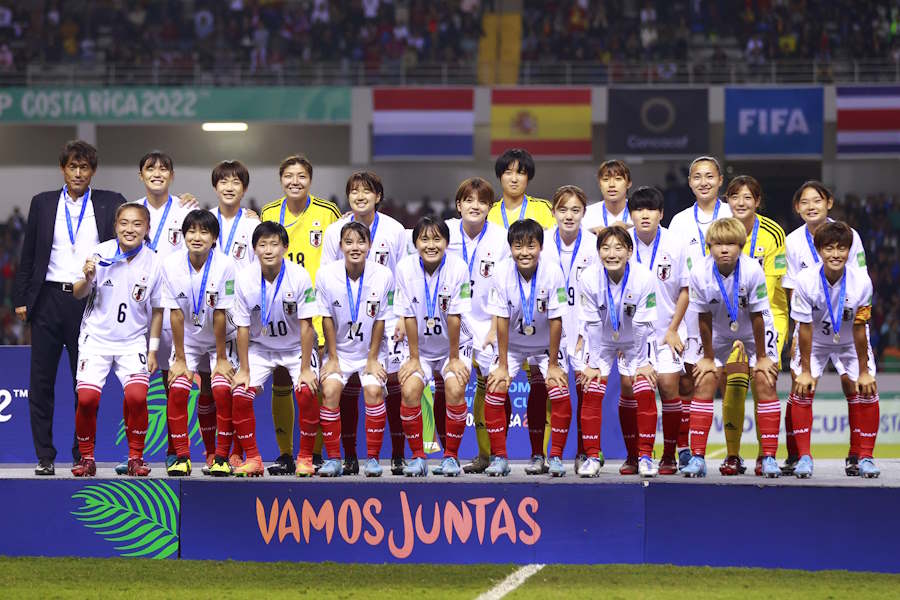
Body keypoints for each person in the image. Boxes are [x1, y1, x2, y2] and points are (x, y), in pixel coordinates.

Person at [14, 140, 126, 475]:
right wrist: (21, 297)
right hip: (47, 298)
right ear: (63, 169)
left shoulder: (109, 202)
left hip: (89, 301)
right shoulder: (43, 203)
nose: (78, 173)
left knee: (85, 383)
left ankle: (82, 454)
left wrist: (183, 202)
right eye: (72, 167)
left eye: (85, 167)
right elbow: (29, 253)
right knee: (41, 382)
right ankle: (44, 456)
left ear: (93, 171)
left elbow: (140, 221)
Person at [113, 151, 198, 475]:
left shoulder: (188, 209)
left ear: (172, 176)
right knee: (136, 384)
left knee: (174, 378)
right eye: (151, 168)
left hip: (177, 305)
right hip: (141, 306)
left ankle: (177, 450)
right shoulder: (132, 210)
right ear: (141, 175)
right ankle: (135, 454)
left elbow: (206, 236)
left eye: (164, 168)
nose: (157, 173)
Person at [320, 171, 408, 476]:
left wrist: (401, 318)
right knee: (343, 390)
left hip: (388, 317)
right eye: (354, 191)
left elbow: (404, 274)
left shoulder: (396, 230)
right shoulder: (334, 232)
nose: (360, 196)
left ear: (378, 196)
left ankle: (396, 454)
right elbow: (329, 285)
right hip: (346, 318)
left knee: (392, 385)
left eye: (367, 191)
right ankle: (347, 456)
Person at [260, 155, 341, 475]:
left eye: (301, 176)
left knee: (314, 383)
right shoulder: (268, 212)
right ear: (281, 179)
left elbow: (336, 257)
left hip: (315, 309)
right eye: (289, 176)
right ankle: (284, 453)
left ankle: (316, 453)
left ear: (310, 179)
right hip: (279, 309)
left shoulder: (327, 212)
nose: (295, 181)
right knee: (282, 378)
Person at [782, 180, 869, 476]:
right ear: (797, 208)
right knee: (800, 384)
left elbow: (858, 280)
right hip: (810, 324)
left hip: (845, 321)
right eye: (804, 202)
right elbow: (793, 287)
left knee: (854, 385)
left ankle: (857, 455)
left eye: (816, 201)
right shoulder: (792, 241)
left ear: (829, 202)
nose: (811, 206)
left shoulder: (848, 235)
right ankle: (797, 455)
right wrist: (797, 331)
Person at [70, 202, 164, 477]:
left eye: (137, 224)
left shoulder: (155, 261)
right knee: (86, 399)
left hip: (132, 342)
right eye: (124, 223)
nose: (130, 229)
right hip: (95, 340)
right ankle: (87, 458)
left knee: (137, 396)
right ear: (115, 226)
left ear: (147, 229)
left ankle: (136, 457)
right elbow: (78, 293)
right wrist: (87, 279)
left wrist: (153, 349)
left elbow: (158, 310)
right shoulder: (100, 253)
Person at [683, 218, 781, 478]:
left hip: (753, 328)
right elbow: (702, 318)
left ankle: (769, 457)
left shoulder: (752, 270)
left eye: (730, 244)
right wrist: (708, 357)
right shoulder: (699, 272)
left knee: (764, 379)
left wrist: (761, 357)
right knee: (704, 380)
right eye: (717, 244)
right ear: (709, 247)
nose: (724, 249)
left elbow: (759, 315)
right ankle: (697, 458)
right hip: (716, 329)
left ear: (741, 245)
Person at [480, 147, 554, 474]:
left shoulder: (543, 210)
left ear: (528, 177)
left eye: (520, 172)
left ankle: (539, 453)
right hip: (497, 310)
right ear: (499, 176)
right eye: (508, 172)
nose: (514, 177)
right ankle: (494, 455)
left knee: (540, 381)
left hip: (537, 309)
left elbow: (549, 258)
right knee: (495, 381)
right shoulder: (489, 212)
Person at [790, 221, 880, 478]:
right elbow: (804, 328)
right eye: (829, 248)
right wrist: (806, 371)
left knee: (868, 389)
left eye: (842, 248)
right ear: (819, 251)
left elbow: (861, 328)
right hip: (815, 340)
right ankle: (805, 457)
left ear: (850, 251)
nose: (836, 254)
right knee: (802, 389)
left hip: (851, 340)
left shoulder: (862, 281)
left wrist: (863, 372)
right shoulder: (805, 281)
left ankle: (865, 458)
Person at [231, 221, 319, 477]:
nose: (268, 250)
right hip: (261, 348)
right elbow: (243, 328)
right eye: (262, 245)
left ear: (285, 247)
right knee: (239, 394)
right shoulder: (245, 278)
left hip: (295, 348)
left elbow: (307, 326)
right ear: (254, 249)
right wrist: (244, 369)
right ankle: (254, 458)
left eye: (274, 244)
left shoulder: (300, 276)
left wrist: (305, 369)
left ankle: (304, 458)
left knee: (306, 391)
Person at [485, 218, 572, 477]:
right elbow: (500, 319)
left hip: (546, 344)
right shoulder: (501, 272)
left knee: (559, 391)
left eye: (531, 246)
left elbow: (556, 319)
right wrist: (502, 365)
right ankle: (499, 457)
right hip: (512, 345)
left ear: (541, 247)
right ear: (510, 248)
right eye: (518, 246)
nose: (525, 252)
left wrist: (554, 365)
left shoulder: (553, 272)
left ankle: (553, 456)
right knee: (495, 387)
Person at [393, 216, 472, 477]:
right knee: (410, 390)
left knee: (454, 387)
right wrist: (414, 358)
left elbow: (455, 316)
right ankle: (417, 456)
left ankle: (451, 457)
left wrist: (453, 358)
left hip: (454, 345)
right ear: (415, 242)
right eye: (424, 239)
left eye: (437, 239)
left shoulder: (458, 267)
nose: (430, 245)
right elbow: (408, 316)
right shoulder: (404, 268)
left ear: (447, 243)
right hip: (420, 347)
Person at [719, 175, 788, 477]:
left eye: (748, 197)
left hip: (769, 315)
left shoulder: (773, 233)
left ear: (757, 201)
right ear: (727, 201)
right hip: (731, 318)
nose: (742, 202)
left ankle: (766, 455)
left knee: (764, 382)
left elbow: (773, 288)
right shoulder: (719, 230)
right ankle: (733, 456)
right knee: (734, 386)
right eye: (735, 196)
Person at [440, 177, 509, 476]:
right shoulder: (443, 231)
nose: (475, 206)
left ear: (490, 208)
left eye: (481, 201)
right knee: (452, 387)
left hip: (487, 322)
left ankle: (489, 455)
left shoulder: (502, 237)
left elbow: (505, 286)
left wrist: (495, 327)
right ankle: (449, 456)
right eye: (469, 200)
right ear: (459, 205)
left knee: (492, 386)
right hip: (451, 322)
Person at [667, 156, 732, 468]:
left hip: (730, 313)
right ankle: (684, 446)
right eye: (697, 177)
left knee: (726, 382)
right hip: (691, 312)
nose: (703, 182)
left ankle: (735, 454)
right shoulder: (679, 222)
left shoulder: (734, 214)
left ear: (720, 180)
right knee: (687, 382)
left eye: (709, 176)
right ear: (690, 182)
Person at [161, 210, 238, 477]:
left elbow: (220, 314)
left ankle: (220, 457)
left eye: (204, 232)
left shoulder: (227, 265)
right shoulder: (170, 265)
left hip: (222, 337)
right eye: (191, 231)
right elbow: (176, 314)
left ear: (214, 238)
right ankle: (182, 456)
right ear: (183, 236)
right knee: (179, 390)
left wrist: (221, 359)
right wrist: (180, 358)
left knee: (219, 389)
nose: (197, 237)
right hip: (189, 340)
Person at [316, 221, 393, 477]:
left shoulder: (383, 275)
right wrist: (333, 357)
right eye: (349, 242)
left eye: (361, 242)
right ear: (340, 246)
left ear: (370, 245)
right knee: (330, 389)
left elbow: (381, 318)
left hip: (370, 351)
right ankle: (334, 459)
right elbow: (326, 317)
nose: (355, 247)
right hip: (340, 352)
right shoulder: (326, 274)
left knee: (373, 391)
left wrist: (372, 358)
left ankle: (372, 459)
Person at [579, 225, 658, 477]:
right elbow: (591, 325)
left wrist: (642, 362)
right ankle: (592, 457)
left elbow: (644, 324)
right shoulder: (588, 278)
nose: (611, 254)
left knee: (644, 388)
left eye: (618, 248)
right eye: (605, 248)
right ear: (598, 251)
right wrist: (592, 362)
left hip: (636, 339)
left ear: (630, 251)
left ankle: (645, 456)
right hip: (601, 340)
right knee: (592, 389)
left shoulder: (644, 277)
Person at [627, 186, 689, 475]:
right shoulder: (622, 241)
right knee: (630, 389)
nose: (644, 215)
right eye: (638, 209)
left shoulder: (676, 244)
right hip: (632, 334)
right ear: (631, 214)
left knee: (667, 386)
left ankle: (668, 456)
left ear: (661, 214)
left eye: (651, 209)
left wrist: (674, 329)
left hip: (667, 330)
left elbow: (686, 290)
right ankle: (634, 456)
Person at [539, 185, 598, 475]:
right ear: (553, 212)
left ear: (584, 213)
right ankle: (556, 456)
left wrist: (586, 334)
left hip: (583, 330)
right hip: (551, 330)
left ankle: (585, 453)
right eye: (563, 209)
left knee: (587, 396)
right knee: (559, 396)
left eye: (575, 210)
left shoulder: (594, 245)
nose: (569, 215)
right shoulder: (542, 244)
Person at [209, 160, 259, 469]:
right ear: (215, 187)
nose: (229, 187)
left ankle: (239, 452)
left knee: (240, 387)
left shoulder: (254, 226)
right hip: (210, 313)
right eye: (223, 182)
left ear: (244, 189)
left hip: (244, 316)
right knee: (212, 388)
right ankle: (215, 452)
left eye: (236, 182)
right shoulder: (201, 221)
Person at [582, 159, 634, 232]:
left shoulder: (639, 213)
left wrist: (633, 228)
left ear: (628, 184)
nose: (611, 184)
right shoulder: (586, 214)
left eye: (618, 179)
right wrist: (590, 233)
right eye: (606, 179)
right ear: (599, 184)